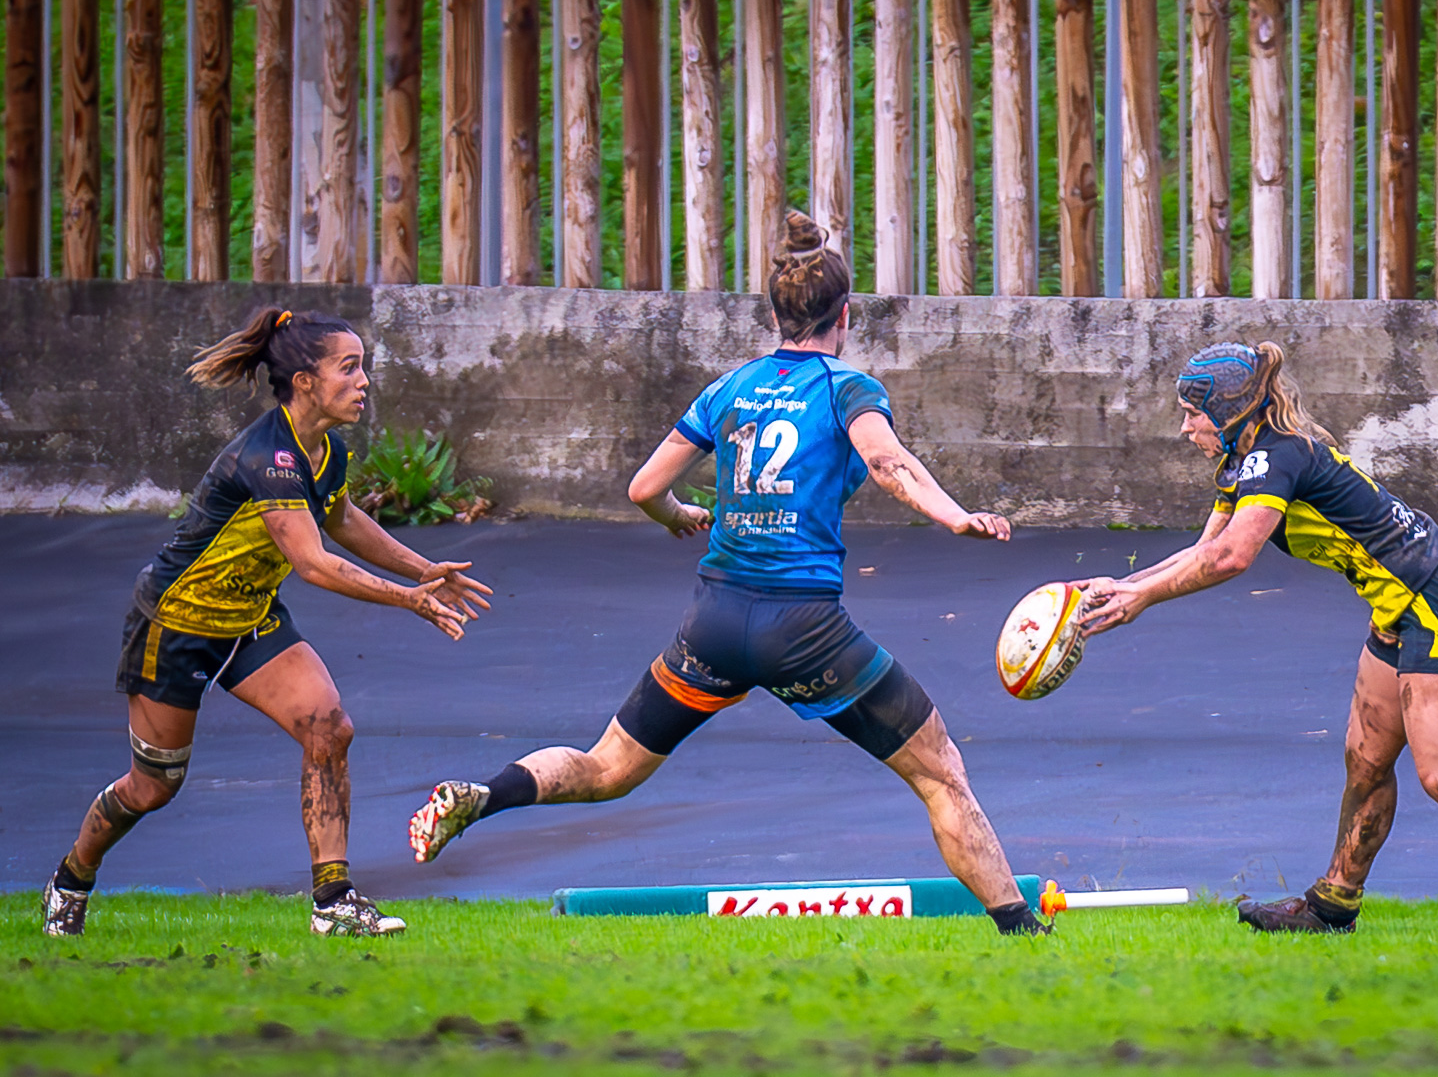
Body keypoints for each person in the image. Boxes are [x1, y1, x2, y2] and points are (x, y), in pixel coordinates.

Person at [408, 211, 1052, 936]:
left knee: (608, 767)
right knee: (940, 774)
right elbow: (885, 461)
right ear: (845, 315)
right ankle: (1019, 928)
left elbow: (644, 488)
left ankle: (485, 795)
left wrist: (680, 515)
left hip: (714, 623)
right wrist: (955, 516)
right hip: (804, 629)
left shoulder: (729, 389)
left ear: (775, 315)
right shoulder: (847, 388)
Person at [1075, 342, 1438, 933]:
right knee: (1366, 762)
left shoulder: (1276, 457)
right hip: (1398, 605)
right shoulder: (1245, 461)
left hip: (1433, 598)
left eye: (1192, 414)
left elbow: (1232, 558)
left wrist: (1142, 599)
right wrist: (1123, 585)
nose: (1185, 428)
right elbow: (1206, 549)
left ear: (1229, 411)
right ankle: (1333, 903)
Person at [40, 308, 493, 938]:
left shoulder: (325, 451)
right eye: (349, 368)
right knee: (154, 786)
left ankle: (333, 902)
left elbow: (341, 519)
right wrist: (407, 598)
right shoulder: (269, 457)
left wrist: (424, 570)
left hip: (250, 618)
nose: (364, 381)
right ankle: (70, 880)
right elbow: (314, 563)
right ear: (304, 381)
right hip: (176, 625)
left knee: (329, 729)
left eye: (363, 367)